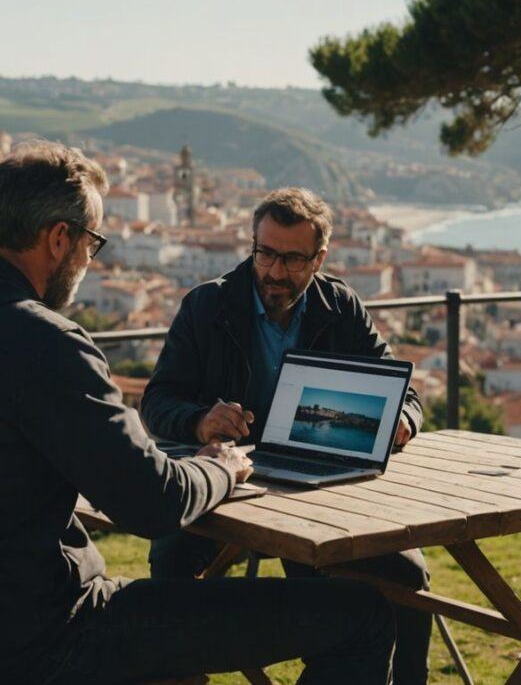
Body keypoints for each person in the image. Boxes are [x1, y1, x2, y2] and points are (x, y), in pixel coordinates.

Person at [0, 144, 396, 685]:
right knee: (362, 614)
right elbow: (153, 504)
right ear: (59, 238)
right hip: (43, 639)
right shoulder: (41, 341)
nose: (90, 261)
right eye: (92, 243)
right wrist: (222, 466)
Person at [142, 187, 431, 685]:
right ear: (252, 242)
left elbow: (404, 392)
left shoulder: (339, 305)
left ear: (318, 259)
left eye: (292, 259)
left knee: (407, 577)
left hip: (321, 490)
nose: (274, 271)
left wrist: (403, 420)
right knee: (171, 561)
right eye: (265, 252)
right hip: (222, 484)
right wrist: (199, 421)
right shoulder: (206, 306)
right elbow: (158, 401)